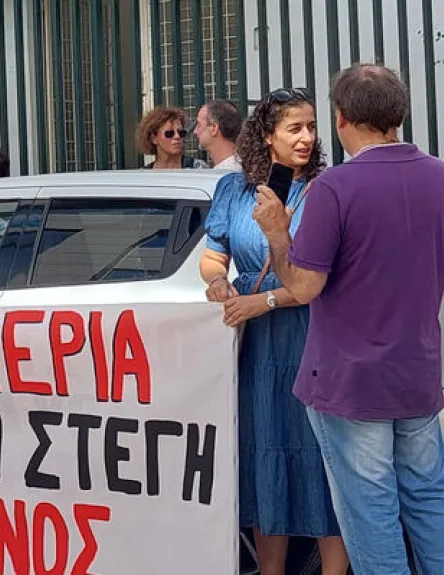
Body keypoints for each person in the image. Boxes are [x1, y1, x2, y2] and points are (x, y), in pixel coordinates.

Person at [254, 64, 444, 574]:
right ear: (399, 114)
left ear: (340, 118)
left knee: (370, 510)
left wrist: (277, 232)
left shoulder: (335, 187)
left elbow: (302, 286)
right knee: (429, 500)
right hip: (419, 370)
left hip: (350, 379)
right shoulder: (438, 176)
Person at [200, 87, 349, 574]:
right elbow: (212, 255)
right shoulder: (234, 189)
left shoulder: (328, 189)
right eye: (294, 128)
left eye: (312, 127)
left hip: (313, 338)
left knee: (323, 462)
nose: (307, 138)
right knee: (266, 457)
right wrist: (217, 280)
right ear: (267, 135)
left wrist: (262, 301)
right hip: (256, 350)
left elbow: (323, 279)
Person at [137, 106, 208, 169]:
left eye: (181, 132)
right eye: (169, 133)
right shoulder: (143, 176)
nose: (177, 136)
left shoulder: (198, 168)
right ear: (154, 138)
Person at [194, 100, 243, 170]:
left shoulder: (226, 172)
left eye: (199, 125)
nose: (195, 131)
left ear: (214, 128)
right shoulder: (244, 167)